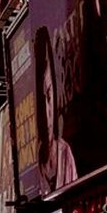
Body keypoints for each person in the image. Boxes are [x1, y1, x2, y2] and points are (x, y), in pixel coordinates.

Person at [34, 25, 78, 196]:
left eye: (49, 95)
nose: (46, 109)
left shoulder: (66, 154)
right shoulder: (31, 166)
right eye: (42, 98)